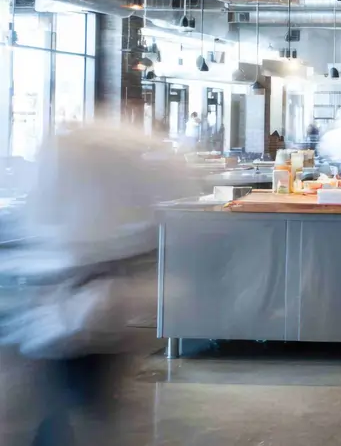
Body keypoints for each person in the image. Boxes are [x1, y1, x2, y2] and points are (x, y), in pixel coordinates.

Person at [2, 120, 197, 446]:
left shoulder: (72, 152)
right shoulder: (123, 151)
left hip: (75, 300)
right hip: (86, 300)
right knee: (87, 405)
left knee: (68, 402)